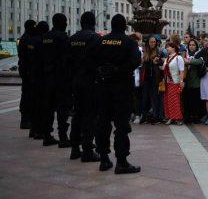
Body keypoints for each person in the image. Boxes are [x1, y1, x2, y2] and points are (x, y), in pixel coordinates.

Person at [88, 14, 141, 174]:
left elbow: (89, 58)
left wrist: (101, 70)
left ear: (111, 25)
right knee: (121, 125)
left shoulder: (100, 41)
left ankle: (104, 159)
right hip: (122, 88)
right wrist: (118, 69)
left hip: (103, 87)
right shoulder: (129, 42)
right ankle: (121, 161)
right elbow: (135, 61)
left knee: (102, 123)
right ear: (125, 26)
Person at [68, 12, 101, 162]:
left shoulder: (72, 39)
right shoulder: (95, 38)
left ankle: (74, 148)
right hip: (91, 82)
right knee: (90, 115)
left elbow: (66, 61)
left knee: (77, 114)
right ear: (93, 23)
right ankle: (87, 149)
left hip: (75, 81)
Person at [41, 13, 71, 147]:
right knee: (62, 109)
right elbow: (67, 59)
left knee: (47, 108)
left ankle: (47, 135)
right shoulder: (63, 37)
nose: (66, 24)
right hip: (60, 78)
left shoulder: (45, 37)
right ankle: (63, 137)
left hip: (47, 78)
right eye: (65, 22)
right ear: (61, 23)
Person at [28, 21, 49, 140]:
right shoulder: (43, 42)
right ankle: (40, 131)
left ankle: (34, 129)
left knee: (34, 104)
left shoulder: (33, 41)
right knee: (42, 105)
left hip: (34, 76)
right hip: (43, 78)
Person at [17, 19, 36, 131]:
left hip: (27, 71)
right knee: (27, 96)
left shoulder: (26, 38)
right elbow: (27, 57)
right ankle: (25, 120)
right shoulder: (26, 39)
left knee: (27, 95)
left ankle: (26, 119)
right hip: (28, 72)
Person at [140, 36, 163, 124]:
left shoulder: (159, 51)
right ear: (148, 42)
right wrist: (150, 62)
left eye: (154, 42)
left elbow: (162, 62)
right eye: (151, 42)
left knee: (154, 98)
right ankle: (144, 116)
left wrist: (157, 61)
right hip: (146, 78)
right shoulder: (145, 51)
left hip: (155, 78)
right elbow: (144, 63)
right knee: (145, 97)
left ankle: (155, 116)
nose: (152, 43)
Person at [162, 42, 185, 125]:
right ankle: (170, 117)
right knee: (167, 100)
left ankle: (178, 118)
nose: (167, 48)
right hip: (167, 82)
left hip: (175, 82)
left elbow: (182, 70)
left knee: (175, 101)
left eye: (168, 47)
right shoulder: (167, 58)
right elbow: (164, 69)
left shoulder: (179, 58)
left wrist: (181, 81)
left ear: (174, 48)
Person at [183, 39, 203, 123]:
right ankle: (187, 116)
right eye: (190, 45)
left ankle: (196, 116)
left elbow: (200, 62)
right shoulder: (185, 54)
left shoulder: (199, 54)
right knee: (187, 99)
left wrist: (189, 61)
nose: (191, 46)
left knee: (195, 99)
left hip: (196, 80)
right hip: (186, 80)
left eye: (193, 45)